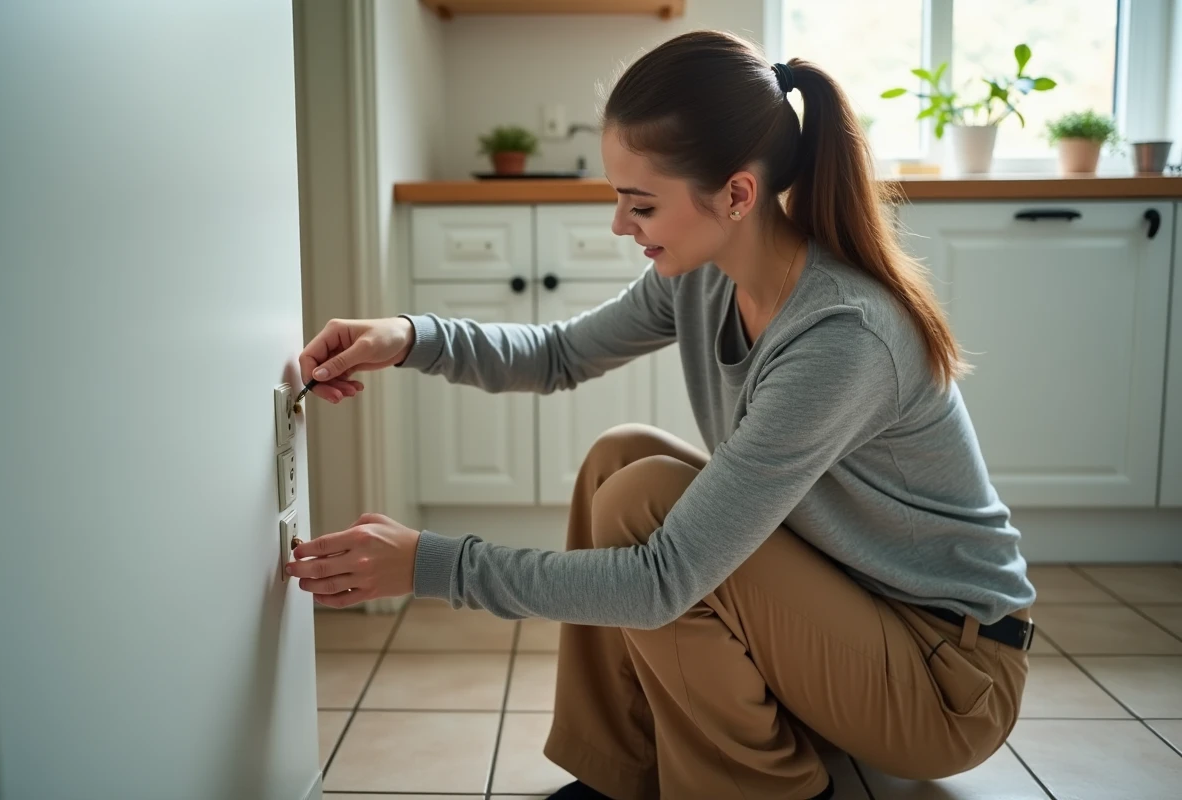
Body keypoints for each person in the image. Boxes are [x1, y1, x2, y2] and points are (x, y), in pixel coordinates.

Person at [288, 29, 1037, 800]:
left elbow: (663, 582)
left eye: (640, 203)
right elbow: (556, 355)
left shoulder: (842, 337)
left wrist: (429, 565)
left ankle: (764, 792)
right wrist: (407, 338)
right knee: (623, 459)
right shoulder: (705, 275)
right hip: (854, 617)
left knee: (647, 506)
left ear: (737, 195)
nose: (622, 226)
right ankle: (624, 771)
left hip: (947, 680)